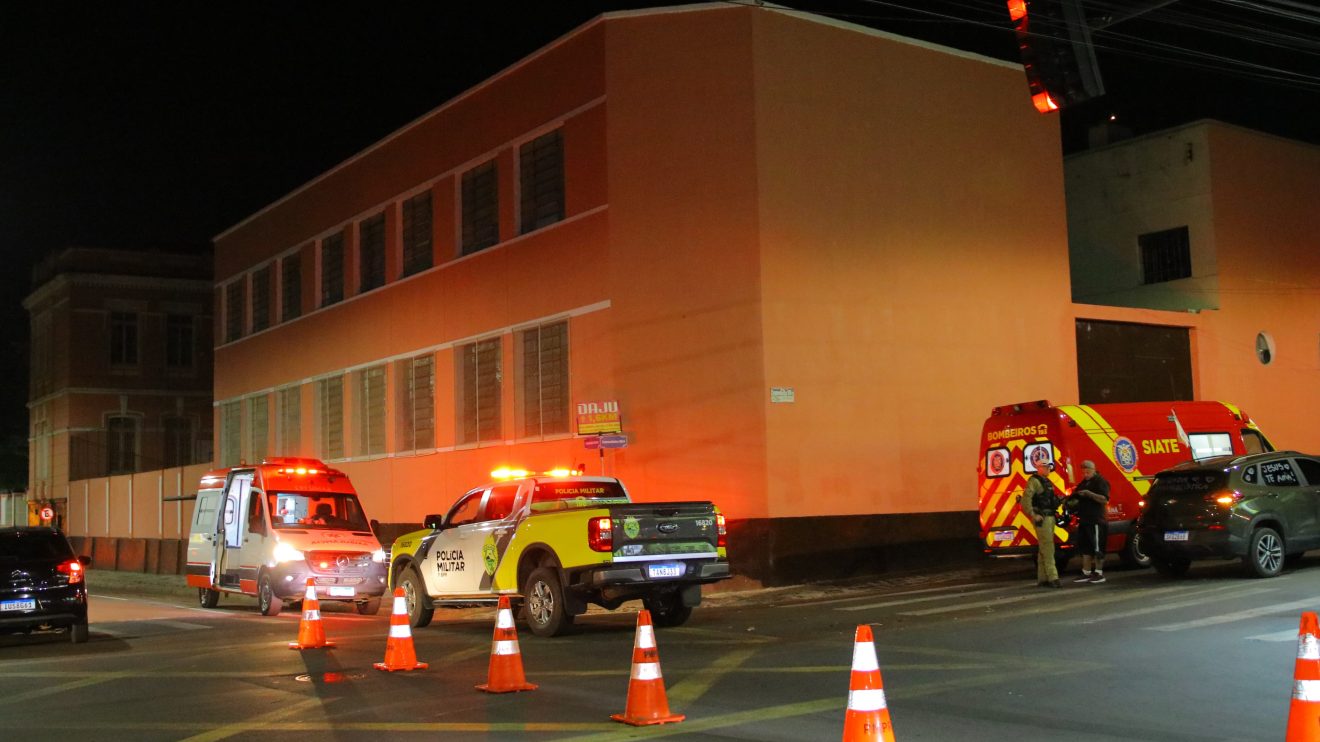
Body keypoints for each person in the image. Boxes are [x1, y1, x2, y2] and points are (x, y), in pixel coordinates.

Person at [1021, 460, 1062, 588]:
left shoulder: (1046, 481)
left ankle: (1042, 578)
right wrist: (1033, 515)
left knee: (1043, 548)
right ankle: (1053, 577)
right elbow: (1025, 500)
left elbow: (1050, 500)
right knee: (1048, 547)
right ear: (1039, 467)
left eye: (1049, 466)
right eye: (1046, 466)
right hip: (1042, 518)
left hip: (1049, 517)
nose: (1048, 468)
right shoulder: (1034, 481)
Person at [1071, 459, 1111, 583]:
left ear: (1093, 470)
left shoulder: (1100, 482)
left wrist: (1089, 494)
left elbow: (1104, 499)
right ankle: (1086, 572)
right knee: (1085, 547)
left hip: (1096, 520)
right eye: (1084, 472)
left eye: (1088, 472)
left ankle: (1099, 573)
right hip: (1084, 520)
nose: (1086, 474)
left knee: (1097, 548)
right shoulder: (1084, 483)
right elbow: (1076, 495)